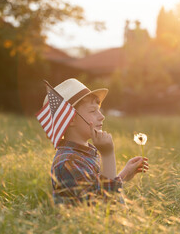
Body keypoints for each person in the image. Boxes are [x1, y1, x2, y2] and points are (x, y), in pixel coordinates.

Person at [42, 78, 149, 206]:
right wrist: (108, 155)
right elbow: (105, 208)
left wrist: (123, 176)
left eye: (99, 110)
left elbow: (99, 191)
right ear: (70, 119)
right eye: (93, 111)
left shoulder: (85, 153)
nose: (101, 116)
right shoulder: (68, 163)